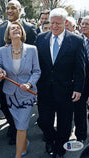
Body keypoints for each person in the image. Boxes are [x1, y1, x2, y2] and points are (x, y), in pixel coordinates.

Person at [35, 8, 85, 158]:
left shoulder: (76, 40)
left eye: (58, 23)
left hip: (66, 90)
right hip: (44, 89)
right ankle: (51, 139)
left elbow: (80, 67)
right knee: (44, 121)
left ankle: (59, 150)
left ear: (65, 22)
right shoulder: (41, 38)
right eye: (52, 23)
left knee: (64, 124)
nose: (54, 26)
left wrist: (78, 88)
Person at [0, 0, 37, 145]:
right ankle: (14, 128)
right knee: (5, 106)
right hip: (7, 80)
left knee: (23, 112)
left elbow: (34, 56)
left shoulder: (30, 28)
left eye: (13, 8)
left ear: (20, 10)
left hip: (25, 80)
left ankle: (20, 134)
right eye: (8, 8)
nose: (10, 10)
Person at [0, 21, 41, 158]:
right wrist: (1, 74)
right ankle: (24, 142)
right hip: (10, 94)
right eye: (12, 28)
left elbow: (37, 71)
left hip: (27, 94)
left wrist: (29, 84)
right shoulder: (2, 51)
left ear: (22, 32)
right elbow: (0, 71)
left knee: (21, 126)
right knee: (18, 125)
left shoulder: (32, 49)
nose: (16, 29)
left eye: (18, 28)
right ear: (8, 34)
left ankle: (17, 155)